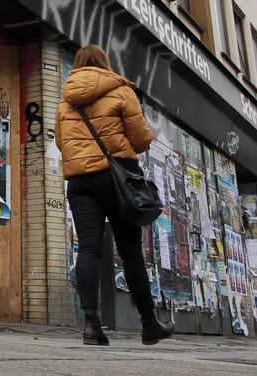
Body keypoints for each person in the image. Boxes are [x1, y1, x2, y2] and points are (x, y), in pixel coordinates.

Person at [55, 44, 173, 346]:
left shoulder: (65, 102)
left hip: (81, 183)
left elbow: (61, 144)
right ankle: (149, 324)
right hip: (118, 178)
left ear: (79, 66)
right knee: (131, 252)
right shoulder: (121, 91)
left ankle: (91, 325)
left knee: (89, 249)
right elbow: (141, 139)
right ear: (104, 63)